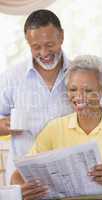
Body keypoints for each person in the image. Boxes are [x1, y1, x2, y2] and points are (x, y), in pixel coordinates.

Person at [11, 55, 102, 200]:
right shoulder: (54, 128)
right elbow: (17, 175)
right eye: (73, 89)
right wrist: (21, 190)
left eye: (88, 91)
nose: (79, 96)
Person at [0, 9, 73, 182]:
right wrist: (3, 126)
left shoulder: (79, 73)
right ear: (28, 43)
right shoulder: (11, 77)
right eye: (36, 47)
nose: (44, 53)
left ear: (61, 36)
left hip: (70, 174)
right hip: (25, 178)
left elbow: (96, 119)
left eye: (49, 45)